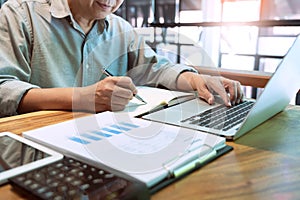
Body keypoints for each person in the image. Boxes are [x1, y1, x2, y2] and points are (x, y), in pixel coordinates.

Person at [0, 0, 243, 117]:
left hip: (102, 143)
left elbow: (155, 68)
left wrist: (196, 80)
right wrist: (82, 98)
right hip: (31, 146)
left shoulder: (120, 28)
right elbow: (3, 90)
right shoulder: (20, 14)